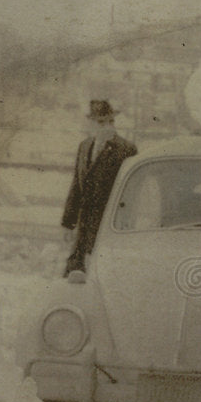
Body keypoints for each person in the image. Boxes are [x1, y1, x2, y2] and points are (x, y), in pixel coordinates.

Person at [62, 100, 137, 275]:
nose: (108, 127)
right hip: (84, 228)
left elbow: (131, 196)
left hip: (107, 228)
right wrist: (68, 223)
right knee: (74, 276)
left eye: (111, 122)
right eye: (101, 122)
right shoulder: (85, 146)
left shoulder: (126, 150)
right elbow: (76, 188)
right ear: (91, 124)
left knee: (101, 276)